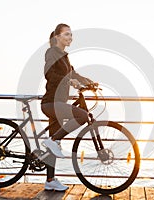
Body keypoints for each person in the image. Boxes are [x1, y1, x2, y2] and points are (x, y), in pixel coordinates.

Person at [41, 23, 95, 191]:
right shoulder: (51, 53)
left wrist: (90, 82)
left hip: (59, 104)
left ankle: (50, 180)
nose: (70, 38)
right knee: (83, 116)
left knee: (53, 146)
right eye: (66, 35)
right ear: (57, 37)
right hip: (51, 103)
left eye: (71, 35)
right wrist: (68, 80)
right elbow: (49, 74)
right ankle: (53, 140)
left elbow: (74, 74)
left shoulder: (64, 56)